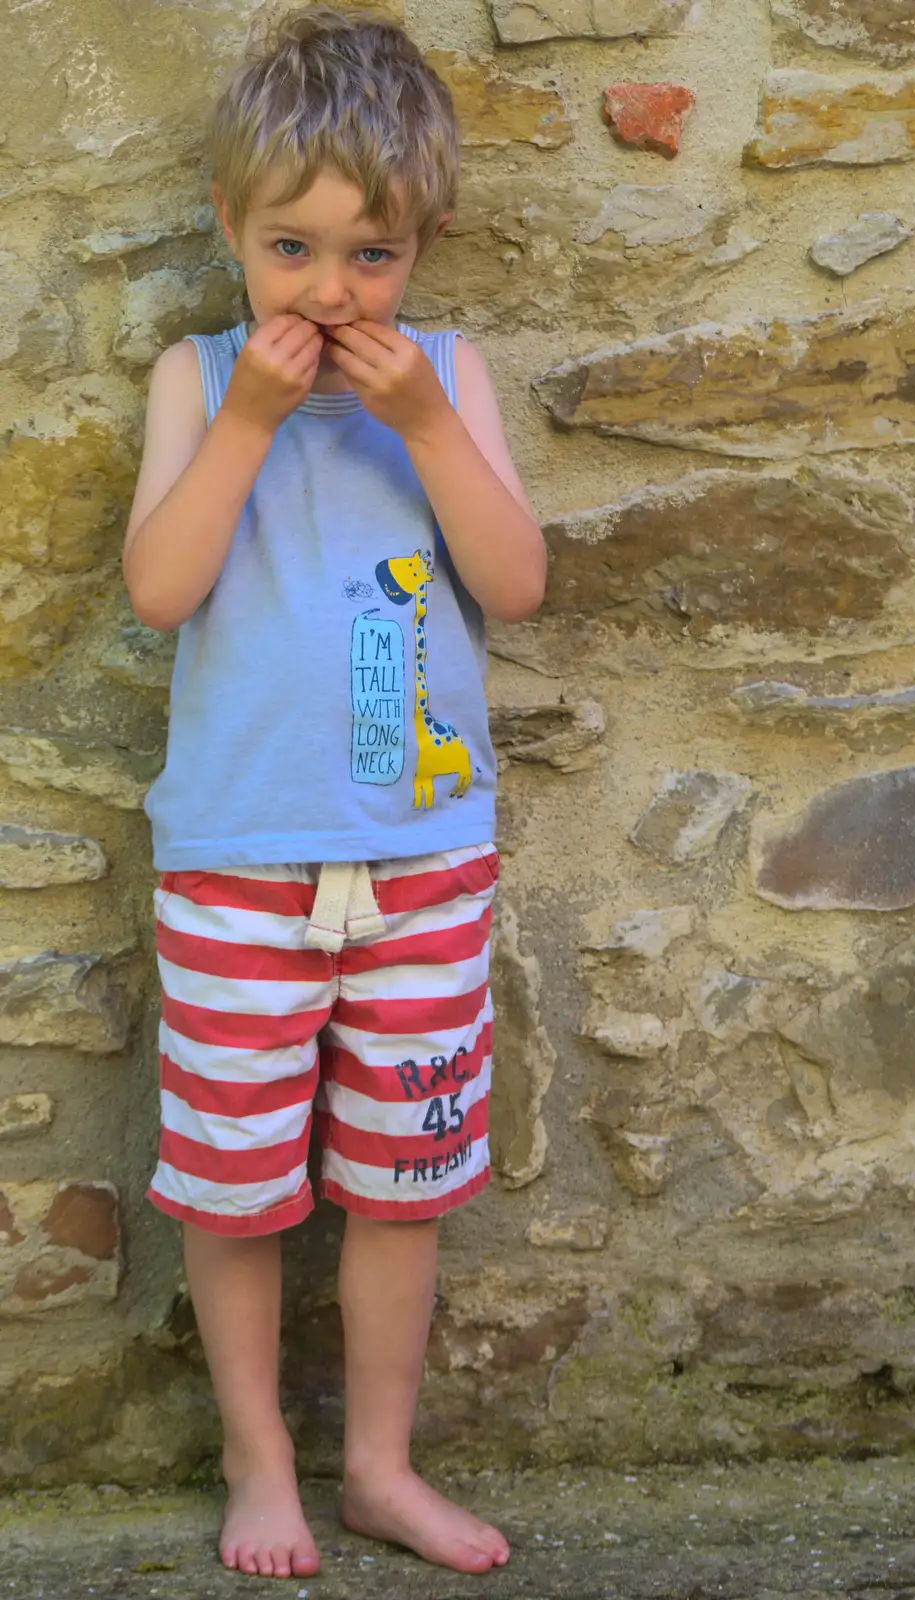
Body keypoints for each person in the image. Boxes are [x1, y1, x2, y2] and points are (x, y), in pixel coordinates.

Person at [122, 5, 547, 1582]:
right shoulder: (200, 374)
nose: (330, 291)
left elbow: (515, 578)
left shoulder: (442, 377)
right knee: (233, 1192)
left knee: (401, 1183)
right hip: (238, 860)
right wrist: (244, 420)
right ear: (232, 229)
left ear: (419, 248)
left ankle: (379, 1465)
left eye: (370, 257)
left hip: (420, 858)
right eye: (293, 249)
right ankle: (259, 1462)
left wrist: (424, 422)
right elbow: (163, 591)